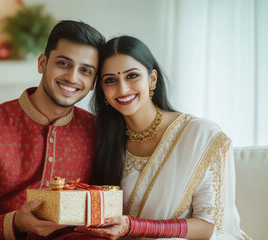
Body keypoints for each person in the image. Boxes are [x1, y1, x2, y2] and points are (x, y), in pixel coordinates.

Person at [76, 36, 250, 239]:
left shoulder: (200, 135)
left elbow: (208, 227)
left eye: (132, 76)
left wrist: (134, 226)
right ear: (102, 90)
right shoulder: (104, 141)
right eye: (111, 80)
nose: (122, 89)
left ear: (152, 79)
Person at [0, 20, 106, 240]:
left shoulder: (95, 129)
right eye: (63, 63)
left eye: (85, 71)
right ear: (42, 63)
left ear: (93, 81)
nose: (72, 77)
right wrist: (16, 222)